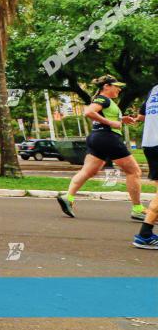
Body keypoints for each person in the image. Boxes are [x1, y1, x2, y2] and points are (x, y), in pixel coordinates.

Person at [56, 75, 146, 221]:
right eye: (116, 86)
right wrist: (111, 123)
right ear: (107, 86)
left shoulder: (106, 101)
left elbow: (102, 115)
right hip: (108, 137)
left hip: (96, 138)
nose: (119, 89)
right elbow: (88, 112)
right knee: (134, 171)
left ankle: (68, 197)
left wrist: (121, 119)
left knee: (88, 171)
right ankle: (138, 209)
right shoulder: (103, 99)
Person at [125, 83, 158, 248]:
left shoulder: (154, 89)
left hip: (150, 144)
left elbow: (143, 115)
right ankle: (145, 234)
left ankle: (146, 233)